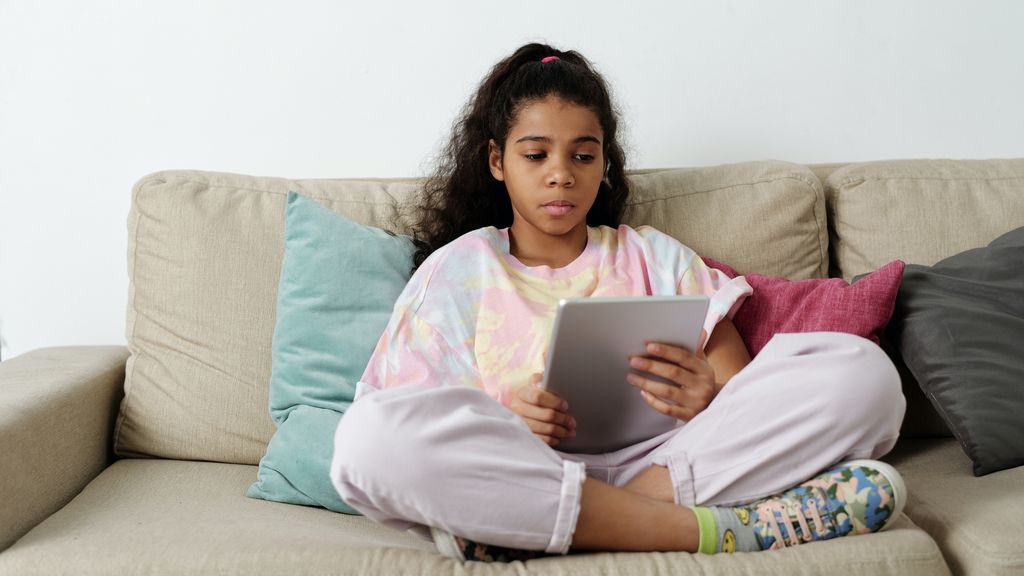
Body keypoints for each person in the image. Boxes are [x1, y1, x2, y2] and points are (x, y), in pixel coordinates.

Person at [329, 43, 906, 562]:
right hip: (524, 471)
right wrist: (511, 420)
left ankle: (571, 524)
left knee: (865, 374)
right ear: (497, 161)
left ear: (604, 163)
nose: (561, 175)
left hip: (670, 461)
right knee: (364, 443)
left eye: (583, 156)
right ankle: (705, 530)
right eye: (536, 155)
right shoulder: (460, 268)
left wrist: (709, 395)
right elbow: (408, 408)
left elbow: (743, 387)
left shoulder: (655, 256)